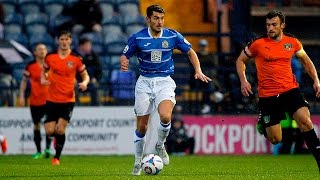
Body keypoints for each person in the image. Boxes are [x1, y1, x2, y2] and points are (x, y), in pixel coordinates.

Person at [120, 4, 212, 175]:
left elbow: (190, 51)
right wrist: (124, 60)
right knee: (142, 126)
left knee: (165, 115)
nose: (160, 22)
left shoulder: (172, 35)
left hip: (164, 81)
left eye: (162, 18)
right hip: (145, 83)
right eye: (156, 18)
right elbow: (125, 54)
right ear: (148, 19)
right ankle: (137, 162)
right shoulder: (138, 38)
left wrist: (198, 70)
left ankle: (160, 146)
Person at [236, 10, 320, 171]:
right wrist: (243, 80)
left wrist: (316, 79)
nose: (270, 28)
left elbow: (306, 60)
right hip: (268, 96)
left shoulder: (292, 42)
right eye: (268, 25)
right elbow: (241, 60)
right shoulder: (258, 44)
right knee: (276, 139)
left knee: (305, 120)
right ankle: (262, 121)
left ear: (282, 25)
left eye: (274, 24)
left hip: (290, 90)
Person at [40, 30, 90, 165]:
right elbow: (43, 71)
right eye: (61, 39)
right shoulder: (50, 57)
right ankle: (56, 138)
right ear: (58, 41)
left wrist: (84, 83)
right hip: (51, 98)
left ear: (70, 41)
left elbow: (85, 76)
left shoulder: (76, 58)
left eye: (66, 39)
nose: (64, 42)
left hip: (68, 99)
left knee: (60, 129)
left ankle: (56, 157)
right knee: (50, 130)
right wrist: (43, 79)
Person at [19, 43, 52, 159]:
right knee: (36, 125)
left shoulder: (51, 65)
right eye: (40, 49)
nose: (42, 51)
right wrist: (22, 96)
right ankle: (38, 151)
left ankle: (48, 148)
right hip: (35, 101)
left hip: (49, 100)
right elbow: (24, 81)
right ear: (35, 52)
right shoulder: (30, 66)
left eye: (44, 49)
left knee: (49, 126)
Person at [189, 39, 220, 114]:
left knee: (209, 81)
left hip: (209, 78)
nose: (203, 48)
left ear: (207, 47)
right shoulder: (196, 56)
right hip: (197, 79)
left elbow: (215, 67)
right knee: (207, 82)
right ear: (199, 47)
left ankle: (214, 95)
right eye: (201, 46)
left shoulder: (212, 56)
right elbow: (192, 67)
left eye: (204, 46)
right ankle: (215, 94)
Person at [74, 37, 102, 106]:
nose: (89, 47)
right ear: (81, 46)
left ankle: (95, 107)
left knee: (95, 88)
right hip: (77, 80)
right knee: (72, 88)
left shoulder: (93, 54)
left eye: (90, 45)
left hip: (90, 80)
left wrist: (96, 78)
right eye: (87, 45)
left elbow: (99, 68)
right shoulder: (73, 54)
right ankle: (76, 106)